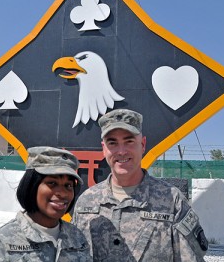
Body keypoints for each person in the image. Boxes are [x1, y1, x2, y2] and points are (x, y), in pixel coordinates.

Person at [72, 109, 208, 261]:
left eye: (129, 141)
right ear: (104, 148)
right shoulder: (86, 202)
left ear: (142, 144)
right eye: (113, 143)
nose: (121, 151)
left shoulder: (171, 200)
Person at [0, 146, 91, 262]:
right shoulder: (3, 241)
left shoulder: (77, 237)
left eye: (68, 185)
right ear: (31, 185)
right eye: (52, 183)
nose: (62, 193)